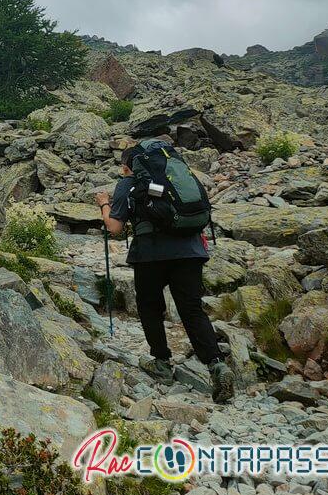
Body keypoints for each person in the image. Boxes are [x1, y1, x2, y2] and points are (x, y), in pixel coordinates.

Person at [95, 146, 235, 404]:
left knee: (150, 307)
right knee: (192, 309)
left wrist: (104, 203)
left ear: (128, 166)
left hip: (150, 253)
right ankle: (217, 365)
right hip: (191, 250)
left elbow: (114, 227)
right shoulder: (175, 178)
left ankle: (162, 363)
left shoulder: (129, 182)